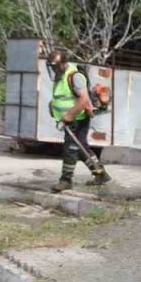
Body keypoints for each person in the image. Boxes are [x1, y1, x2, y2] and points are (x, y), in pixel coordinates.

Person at [46, 48, 110, 193]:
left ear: (63, 64)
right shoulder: (60, 76)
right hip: (68, 119)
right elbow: (63, 96)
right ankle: (100, 174)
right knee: (81, 148)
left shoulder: (74, 76)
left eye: (55, 66)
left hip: (77, 119)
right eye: (52, 67)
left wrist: (69, 115)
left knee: (71, 149)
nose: (54, 70)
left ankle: (65, 180)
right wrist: (53, 106)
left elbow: (84, 99)